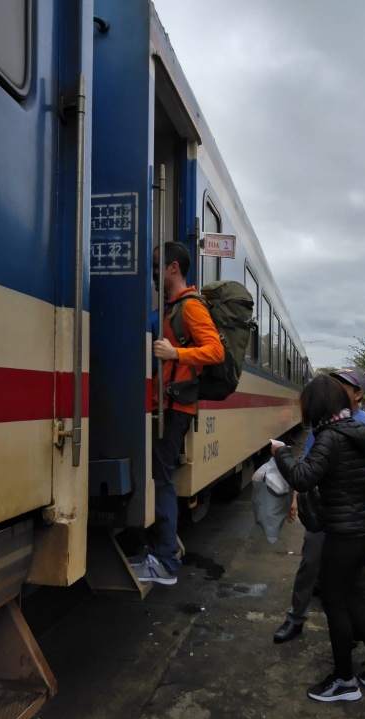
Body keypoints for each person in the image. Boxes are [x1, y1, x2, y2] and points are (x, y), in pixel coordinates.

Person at [272, 374, 365, 702]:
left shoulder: (329, 436)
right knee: (353, 594)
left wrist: (281, 452)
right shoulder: (358, 431)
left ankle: (344, 680)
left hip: (344, 534)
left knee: (335, 602)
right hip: (364, 530)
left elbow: (302, 476)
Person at [132, 242, 224, 586]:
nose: (152, 272)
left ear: (173, 268)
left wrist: (176, 353)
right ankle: (160, 553)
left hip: (175, 407)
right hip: (164, 405)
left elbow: (215, 350)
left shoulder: (189, 305)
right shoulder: (170, 306)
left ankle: (166, 562)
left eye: (156, 265)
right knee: (160, 477)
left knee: (163, 479)